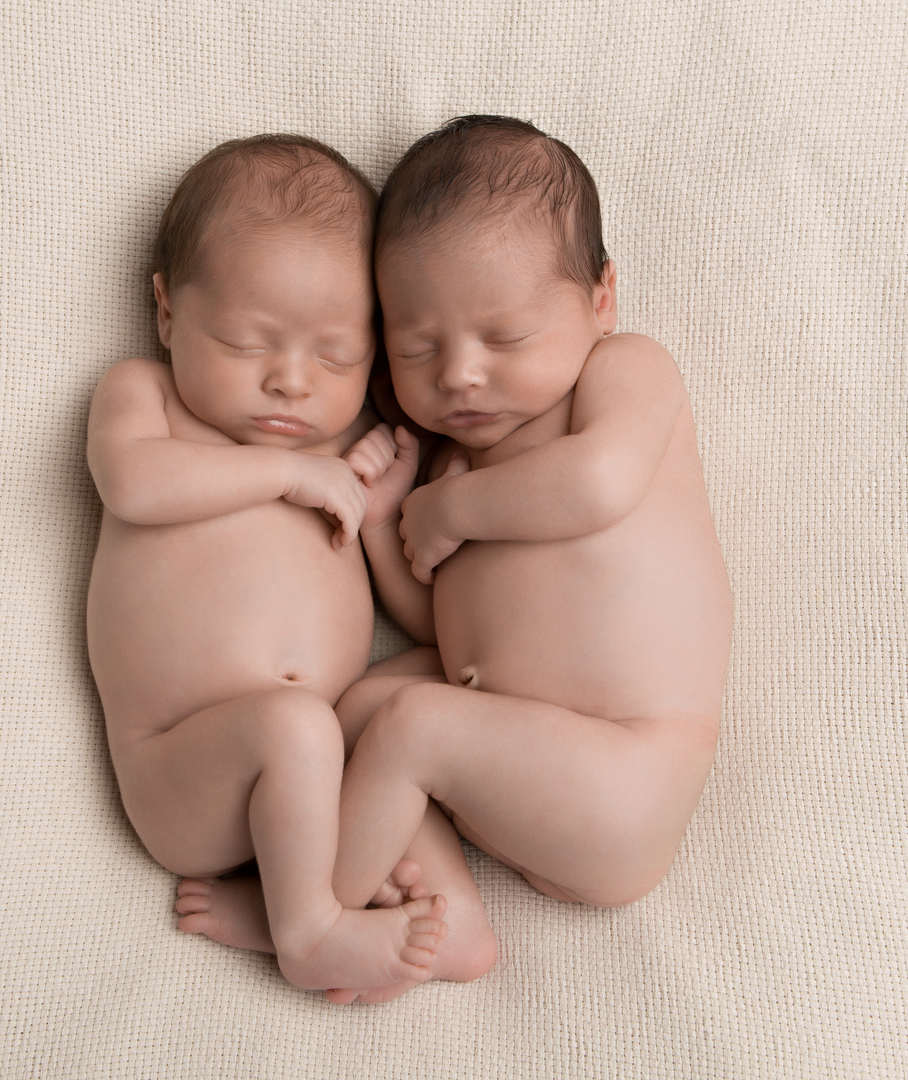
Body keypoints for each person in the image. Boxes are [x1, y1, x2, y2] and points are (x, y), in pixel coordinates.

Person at [330, 116, 733, 999]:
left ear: (600, 300)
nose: (460, 375)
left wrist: (454, 509)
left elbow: (601, 481)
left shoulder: (624, 375)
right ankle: (450, 915)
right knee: (366, 707)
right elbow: (444, 627)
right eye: (417, 349)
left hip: (624, 775)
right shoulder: (454, 464)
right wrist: (388, 521)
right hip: (522, 766)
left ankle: (319, 918)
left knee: (414, 730)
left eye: (503, 338)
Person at [85, 134, 450, 992]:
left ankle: (448, 911)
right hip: (189, 776)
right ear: (169, 311)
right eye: (250, 343)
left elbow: (404, 609)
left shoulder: (347, 450)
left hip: (318, 786)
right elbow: (132, 483)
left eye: (334, 356)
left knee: (422, 698)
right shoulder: (149, 398)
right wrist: (290, 474)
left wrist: (378, 507)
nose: (291, 382)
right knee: (294, 725)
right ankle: (310, 929)